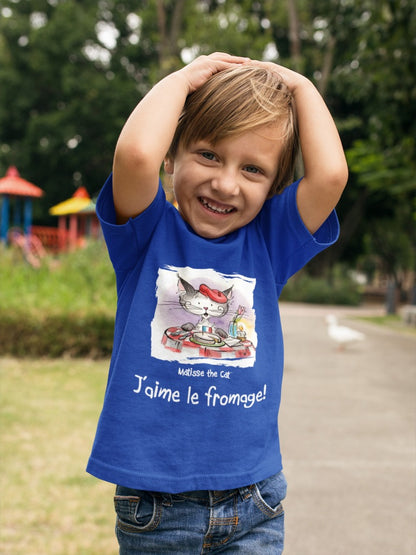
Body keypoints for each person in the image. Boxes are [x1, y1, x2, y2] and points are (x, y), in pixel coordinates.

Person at [87, 52, 348, 554]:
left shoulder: (270, 244)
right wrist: (184, 79)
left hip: (256, 501)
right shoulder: (145, 232)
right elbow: (136, 156)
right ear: (173, 157)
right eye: (209, 154)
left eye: (253, 169)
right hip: (160, 510)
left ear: (273, 188)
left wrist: (299, 86)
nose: (226, 183)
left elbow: (331, 175)